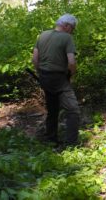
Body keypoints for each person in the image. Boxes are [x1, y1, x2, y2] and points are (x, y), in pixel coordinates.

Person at [32, 13, 82, 147]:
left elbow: (34, 60)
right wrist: (71, 76)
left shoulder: (42, 35)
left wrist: (41, 73)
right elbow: (71, 62)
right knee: (73, 110)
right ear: (66, 26)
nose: (73, 31)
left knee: (53, 109)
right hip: (59, 78)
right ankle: (71, 143)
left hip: (44, 77)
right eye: (72, 28)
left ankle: (51, 138)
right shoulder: (67, 38)